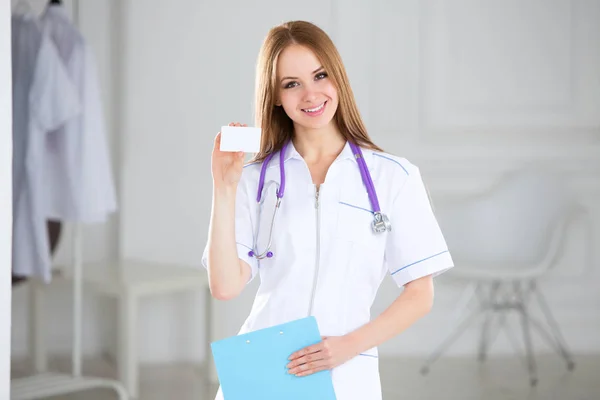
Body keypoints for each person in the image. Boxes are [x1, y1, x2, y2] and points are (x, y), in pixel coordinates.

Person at [202, 20, 454, 400]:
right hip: (261, 370)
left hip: (347, 373)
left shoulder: (394, 177)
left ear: (338, 77)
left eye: (320, 75)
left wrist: (348, 346)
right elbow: (225, 286)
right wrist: (224, 188)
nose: (310, 94)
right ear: (275, 96)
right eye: (292, 83)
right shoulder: (253, 180)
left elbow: (421, 293)